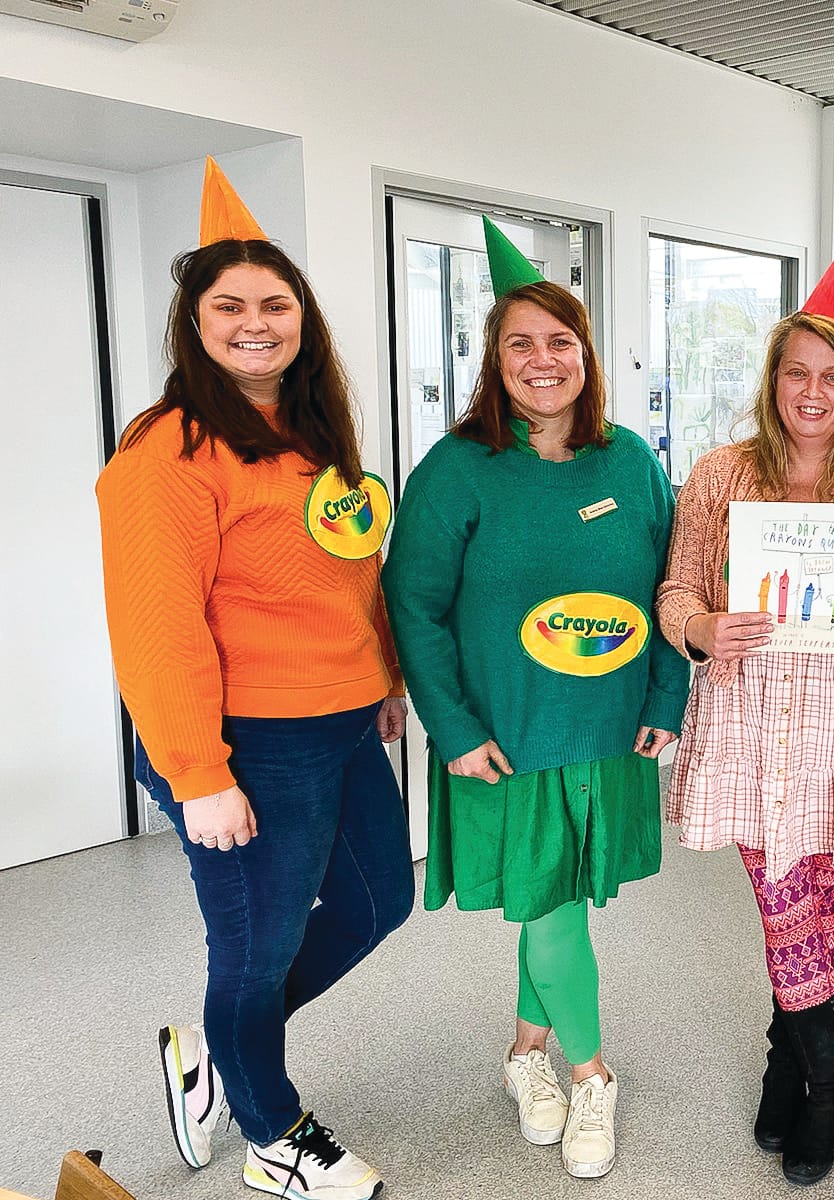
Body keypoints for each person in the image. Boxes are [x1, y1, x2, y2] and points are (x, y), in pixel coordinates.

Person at [96, 158, 411, 1200]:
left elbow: (351, 567)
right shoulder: (167, 453)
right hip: (244, 740)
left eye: (274, 304)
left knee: (378, 902)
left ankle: (219, 1047)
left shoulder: (312, 433)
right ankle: (273, 1136)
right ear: (193, 323)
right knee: (256, 944)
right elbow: (156, 627)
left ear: (302, 318)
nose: (254, 324)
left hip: (340, 718)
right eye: (228, 306)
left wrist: (385, 677)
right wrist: (199, 774)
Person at [382, 219, 687, 1181]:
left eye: (560, 341)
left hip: (610, 729)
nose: (541, 360)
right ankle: (593, 1074)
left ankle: (525, 1054)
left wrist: (668, 695)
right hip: (508, 735)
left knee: (552, 898)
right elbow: (412, 604)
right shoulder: (457, 470)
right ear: (494, 359)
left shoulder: (630, 462)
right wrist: (451, 728)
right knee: (553, 908)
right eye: (520, 343)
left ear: (586, 356)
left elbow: (672, 587)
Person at [657, 242, 834, 1187]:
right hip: (747, 728)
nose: (813, 393)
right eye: (796, 373)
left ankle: (792, 1066)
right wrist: (702, 627)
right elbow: (674, 593)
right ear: (772, 380)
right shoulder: (719, 476)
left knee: (806, 903)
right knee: (785, 899)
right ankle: (830, 1081)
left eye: (832, 376)